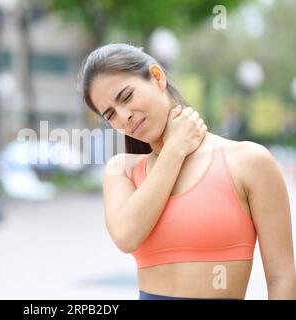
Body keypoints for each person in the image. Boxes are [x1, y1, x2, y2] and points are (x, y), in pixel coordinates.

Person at [77, 43, 296, 300]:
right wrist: (174, 150)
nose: (123, 116)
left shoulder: (249, 162)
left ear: (157, 77)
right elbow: (127, 236)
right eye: (110, 114)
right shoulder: (122, 170)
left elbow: (282, 278)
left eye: (126, 97)